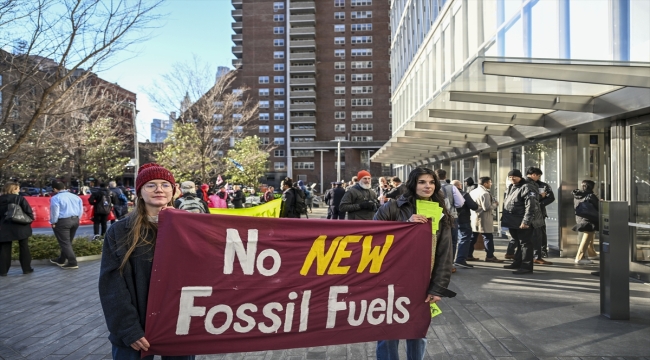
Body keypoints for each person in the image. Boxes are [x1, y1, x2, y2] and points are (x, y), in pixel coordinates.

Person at [99, 163, 196, 360]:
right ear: (140, 193)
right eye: (151, 185)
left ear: (174, 191)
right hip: (135, 331)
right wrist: (128, 329)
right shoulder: (120, 231)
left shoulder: (191, 227)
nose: (159, 189)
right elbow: (112, 284)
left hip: (179, 325)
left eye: (165, 184)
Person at [373, 167, 456, 360]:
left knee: (418, 332)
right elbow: (372, 238)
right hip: (391, 280)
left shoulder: (441, 212)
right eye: (422, 182)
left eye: (431, 182)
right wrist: (405, 227)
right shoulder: (393, 207)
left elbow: (445, 253)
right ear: (413, 184)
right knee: (388, 332)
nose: (428, 186)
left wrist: (438, 287)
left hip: (422, 282)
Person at [501, 169, 544, 275]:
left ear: (520, 177)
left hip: (522, 221)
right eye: (510, 177)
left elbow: (531, 206)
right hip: (513, 221)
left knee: (525, 244)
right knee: (519, 242)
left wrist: (526, 221)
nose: (512, 179)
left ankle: (526, 266)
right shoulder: (511, 187)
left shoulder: (527, 187)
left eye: (514, 176)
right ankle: (517, 262)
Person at [0, 182, 34, 276]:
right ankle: (26, 268)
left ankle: (3, 270)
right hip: (21, 226)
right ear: (13, 189)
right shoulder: (19, 198)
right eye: (18, 188)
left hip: (5, 226)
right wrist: (29, 220)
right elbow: (28, 212)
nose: (19, 190)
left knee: (4, 249)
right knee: (24, 247)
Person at [49, 181, 83, 269]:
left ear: (55, 189)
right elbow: (81, 210)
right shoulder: (75, 197)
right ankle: (61, 259)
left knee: (65, 242)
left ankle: (72, 262)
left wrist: (53, 222)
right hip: (75, 220)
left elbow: (55, 211)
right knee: (68, 242)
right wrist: (77, 218)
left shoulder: (55, 198)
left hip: (62, 221)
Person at [469, 177, 504, 263]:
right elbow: (487, 207)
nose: (491, 184)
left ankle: (468, 254)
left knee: (473, 237)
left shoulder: (473, 191)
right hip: (484, 218)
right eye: (490, 182)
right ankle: (490, 256)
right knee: (488, 237)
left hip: (474, 217)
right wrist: (495, 204)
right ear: (485, 184)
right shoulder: (485, 193)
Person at [526, 167, 555, 264]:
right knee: (533, 234)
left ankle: (541, 252)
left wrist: (541, 204)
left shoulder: (543, 185)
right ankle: (534, 255)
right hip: (530, 213)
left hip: (539, 212)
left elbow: (551, 197)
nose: (538, 178)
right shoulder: (527, 184)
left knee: (540, 233)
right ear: (534, 174)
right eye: (538, 176)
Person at [452, 180, 479, 269]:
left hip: (451, 220)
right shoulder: (464, 194)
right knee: (464, 238)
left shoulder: (445, 193)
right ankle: (460, 259)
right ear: (459, 186)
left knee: (453, 240)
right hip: (463, 219)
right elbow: (473, 206)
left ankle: (450, 261)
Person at [573, 180, 600, 264]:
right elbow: (597, 205)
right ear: (591, 187)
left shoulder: (578, 194)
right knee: (588, 236)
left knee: (590, 234)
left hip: (580, 218)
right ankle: (579, 257)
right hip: (588, 218)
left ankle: (592, 253)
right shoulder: (591, 195)